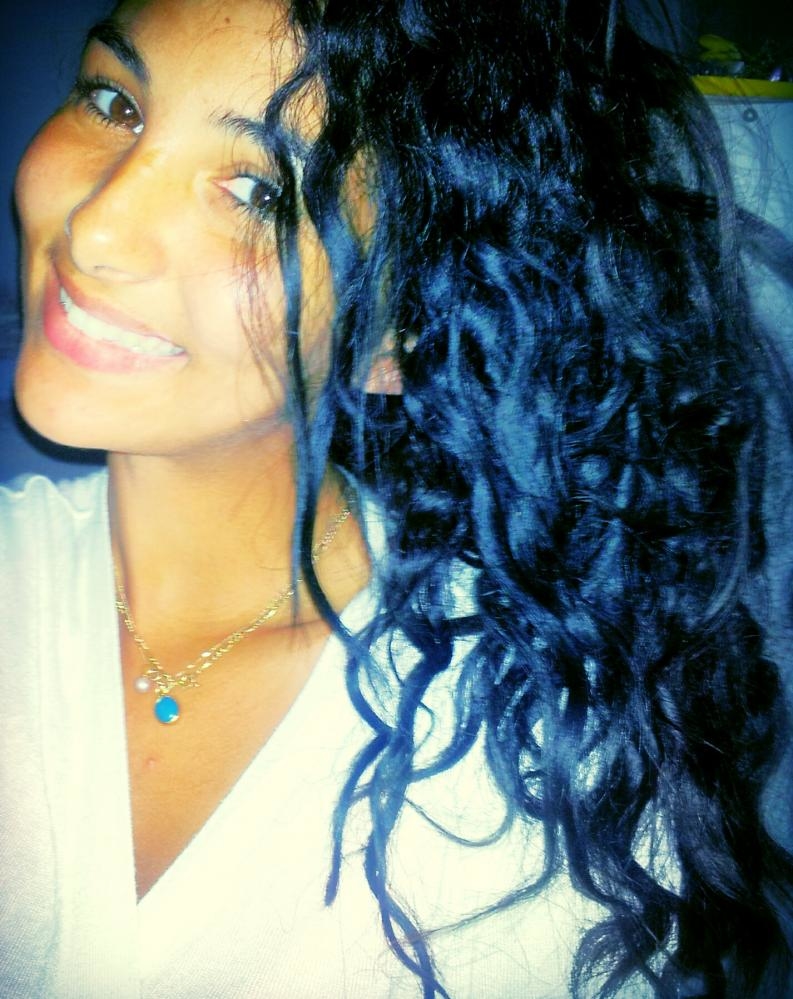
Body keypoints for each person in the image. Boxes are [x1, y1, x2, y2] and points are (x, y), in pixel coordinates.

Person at [1, 0, 792, 996]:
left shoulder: (534, 777)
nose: (96, 228)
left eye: (257, 190)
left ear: (396, 335)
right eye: (114, 102)